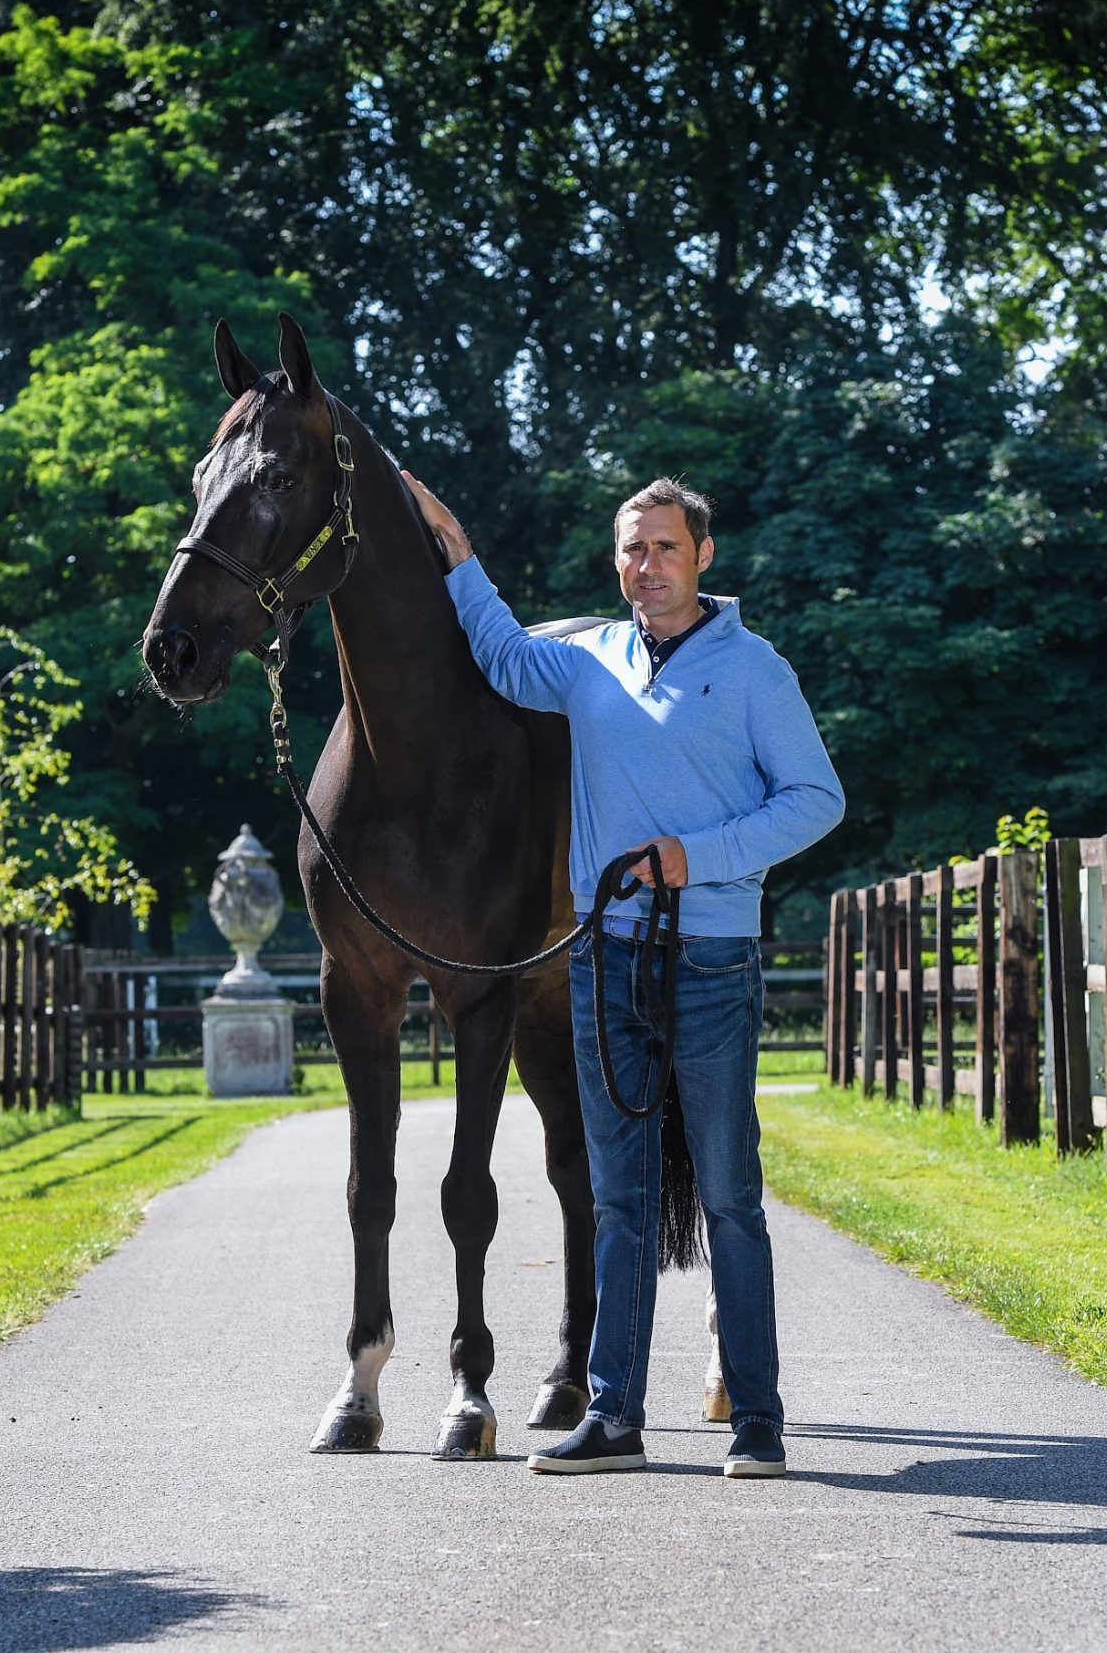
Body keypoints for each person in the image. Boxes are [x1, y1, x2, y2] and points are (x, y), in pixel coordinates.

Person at [405, 469, 844, 1481]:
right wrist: (456, 547)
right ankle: (614, 1419)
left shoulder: (754, 670)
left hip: (710, 955)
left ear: (702, 558)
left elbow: (817, 798)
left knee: (729, 1192)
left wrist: (700, 854)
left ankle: (759, 1420)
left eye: (663, 549)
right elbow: (506, 658)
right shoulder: (591, 660)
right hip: (606, 956)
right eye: (630, 551)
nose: (644, 568)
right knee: (619, 1197)